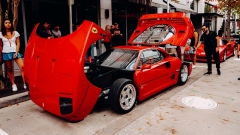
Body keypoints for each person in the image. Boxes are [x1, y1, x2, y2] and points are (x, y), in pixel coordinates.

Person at [0, 19, 27, 91]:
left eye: (9, 22)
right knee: (9, 69)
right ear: (3, 24)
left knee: (22, 67)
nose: (8, 24)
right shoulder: (1, 34)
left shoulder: (15, 33)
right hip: (5, 52)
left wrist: (16, 51)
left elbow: (18, 43)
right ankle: (13, 84)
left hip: (15, 51)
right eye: (6, 23)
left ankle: (25, 83)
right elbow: (0, 45)